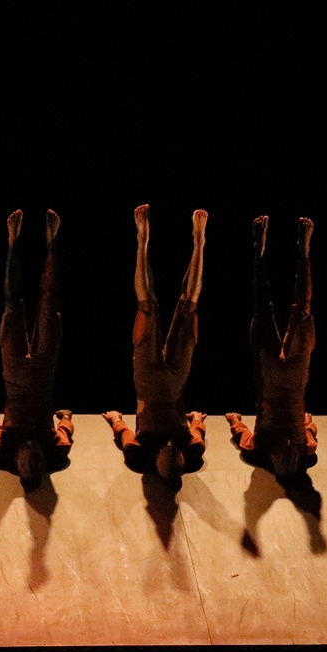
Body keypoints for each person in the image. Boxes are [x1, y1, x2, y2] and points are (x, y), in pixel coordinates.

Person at [102, 204, 208, 491]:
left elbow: (123, 433)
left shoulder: (139, 453)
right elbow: (197, 432)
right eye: (176, 455)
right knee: (188, 307)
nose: (171, 448)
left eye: (166, 455)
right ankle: (199, 242)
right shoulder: (191, 450)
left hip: (149, 381)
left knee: (147, 308)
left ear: (158, 463)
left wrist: (115, 419)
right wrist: (197, 420)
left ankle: (142, 240)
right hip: (174, 382)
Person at [0, 208, 74, 490]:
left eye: (26, 465)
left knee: (12, 304)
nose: (32, 459)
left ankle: (12, 243)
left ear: (17, 464)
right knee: (49, 303)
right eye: (37, 464)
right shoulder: (55, 449)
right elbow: (66, 431)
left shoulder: (2, 448)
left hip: (14, 372)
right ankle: (51, 242)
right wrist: (66, 418)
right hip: (44, 371)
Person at [226, 214, 318, 478]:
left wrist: (235, 420)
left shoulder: (270, 447)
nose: (286, 446)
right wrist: (308, 423)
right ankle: (299, 250)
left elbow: (242, 435)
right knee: (291, 309)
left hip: (277, 377)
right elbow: (310, 433)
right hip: (286, 377)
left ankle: (263, 249)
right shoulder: (298, 448)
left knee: (270, 307)